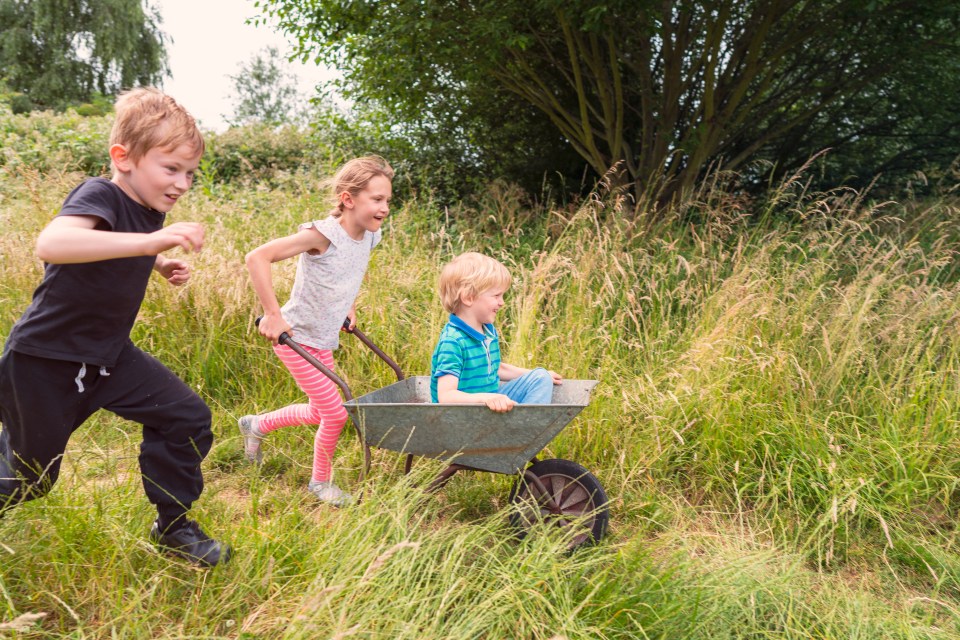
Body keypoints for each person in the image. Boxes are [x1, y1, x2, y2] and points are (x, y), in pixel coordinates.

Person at [0, 88, 230, 567]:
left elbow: (118, 246)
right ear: (122, 158)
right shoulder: (98, 192)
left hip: (108, 356)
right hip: (47, 359)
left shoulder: (147, 214)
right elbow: (54, 244)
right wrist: (153, 243)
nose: (183, 183)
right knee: (30, 478)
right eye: (171, 169)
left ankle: (172, 527)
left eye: (190, 173)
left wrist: (159, 259)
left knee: (186, 419)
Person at [240, 155, 394, 507]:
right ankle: (320, 483)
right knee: (336, 413)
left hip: (323, 340)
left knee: (317, 411)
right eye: (377, 199)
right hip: (295, 339)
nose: (384, 208)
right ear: (348, 198)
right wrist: (272, 315)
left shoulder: (371, 237)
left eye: (387, 200)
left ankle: (256, 425)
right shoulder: (322, 235)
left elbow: (349, 272)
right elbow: (257, 257)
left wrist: (348, 305)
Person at [430, 252, 562, 412]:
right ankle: (523, 430)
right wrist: (485, 398)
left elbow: (496, 368)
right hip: (462, 414)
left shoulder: (487, 332)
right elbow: (446, 396)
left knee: (541, 377)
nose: (502, 302)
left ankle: (526, 426)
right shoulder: (453, 341)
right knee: (538, 378)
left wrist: (539, 374)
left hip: (489, 402)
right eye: (496, 295)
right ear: (468, 297)